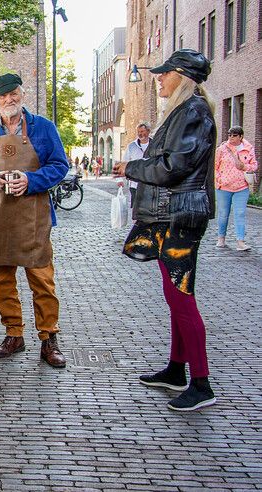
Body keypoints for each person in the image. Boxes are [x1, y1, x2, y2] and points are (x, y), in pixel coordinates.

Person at [113, 49, 217, 411]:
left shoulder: (191, 112)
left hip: (180, 217)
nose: (158, 77)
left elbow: (173, 167)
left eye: (164, 73)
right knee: (176, 297)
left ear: (182, 76)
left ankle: (201, 383)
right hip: (171, 215)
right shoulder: (185, 111)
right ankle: (176, 370)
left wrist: (132, 168)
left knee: (181, 297)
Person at [0, 73, 69, 368]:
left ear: (22, 94)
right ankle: (14, 334)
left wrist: (31, 179)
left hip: (33, 216)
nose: (9, 100)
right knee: (1, 281)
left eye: (14, 94)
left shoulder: (43, 128)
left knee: (42, 281)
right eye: (2, 97)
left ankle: (49, 339)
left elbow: (60, 165)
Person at [214, 125, 258, 251]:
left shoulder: (248, 149)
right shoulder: (222, 149)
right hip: (224, 187)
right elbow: (215, 167)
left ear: (241, 136)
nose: (231, 137)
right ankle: (221, 238)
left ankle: (240, 241)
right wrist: (219, 180)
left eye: (234, 135)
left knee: (240, 213)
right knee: (223, 214)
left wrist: (244, 167)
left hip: (241, 187)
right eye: (229, 135)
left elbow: (254, 165)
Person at [122, 123, 152, 207]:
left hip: (150, 183)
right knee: (135, 208)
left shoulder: (154, 145)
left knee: (148, 207)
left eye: (142, 131)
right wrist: (120, 179)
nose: (140, 134)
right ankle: (135, 220)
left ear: (148, 131)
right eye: (138, 132)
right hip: (135, 184)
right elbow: (124, 162)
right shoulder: (131, 146)